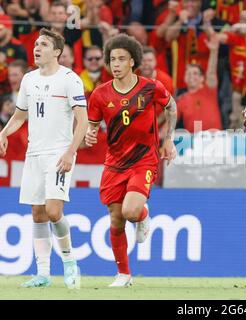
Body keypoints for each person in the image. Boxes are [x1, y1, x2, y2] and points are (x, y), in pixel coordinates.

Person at [85, 34, 177, 287]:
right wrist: (90, 135)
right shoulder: (100, 94)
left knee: (130, 211)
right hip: (114, 162)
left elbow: (172, 107)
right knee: (116, 219)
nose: (116, 64)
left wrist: (168, 139)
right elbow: (92, 125)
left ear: (133, 61)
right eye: (112, 59)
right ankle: (123, 274)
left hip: (143, 160)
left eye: (121, 59)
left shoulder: (150, 87)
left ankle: (143, 214)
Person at [0, 28, 88, 288]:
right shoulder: (29, 79)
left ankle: (70, 262)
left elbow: (82, 120)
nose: (37, 48)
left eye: (44, 45)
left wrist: (71, 151)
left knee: (53, 211)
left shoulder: (70, 79)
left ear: (57, 51)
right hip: (33, 153)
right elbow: (19, 116)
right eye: (36, 44)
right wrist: (3, 133)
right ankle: (43, 273)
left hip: (58, 154)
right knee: (38, 214)